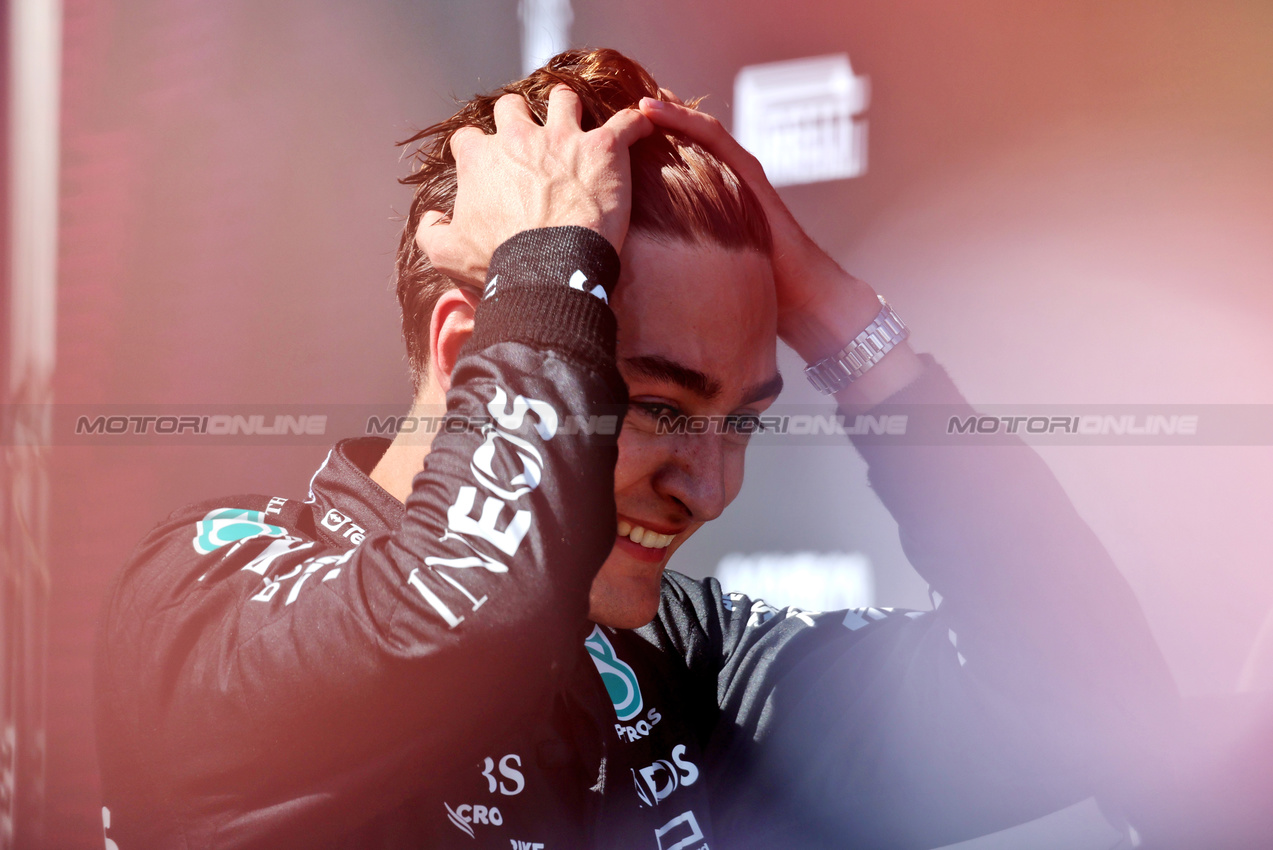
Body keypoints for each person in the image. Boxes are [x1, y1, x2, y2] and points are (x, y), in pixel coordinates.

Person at [94, 48, 1175, 849]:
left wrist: (856, 338)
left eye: (742, 419)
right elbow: (464, 615)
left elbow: (1085, 694)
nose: (710, 486)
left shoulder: (680, 662)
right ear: (478, 350)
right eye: (657, 405)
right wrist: (552, 266)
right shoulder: (203, 599)